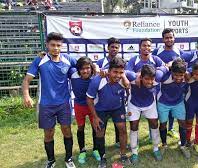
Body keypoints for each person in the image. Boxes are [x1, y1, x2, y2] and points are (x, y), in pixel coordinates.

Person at [22, 32, 77, 168]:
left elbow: (84, 65)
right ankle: (51, 161)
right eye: (53, 45)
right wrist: (26, 95)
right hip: (46, 105)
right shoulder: (40, 60)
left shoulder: (68, 59)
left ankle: (69, 159)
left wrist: (95, 68)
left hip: (64, 103)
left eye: (59, 45)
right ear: (47, 45)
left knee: (67, 130)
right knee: (48, 133)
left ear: (62, 46)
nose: (56, 48)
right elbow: (26, 80)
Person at [86, 57, 131, 168]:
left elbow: (129, 85)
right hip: (101, 109)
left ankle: (123, 155)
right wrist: (95, 117)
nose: (117, 75)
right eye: (115, 72)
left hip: (117, 108)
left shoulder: (122, 79)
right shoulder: (98, 80)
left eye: (121, 72)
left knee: (123, 130)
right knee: (100, 132)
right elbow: (89, 99)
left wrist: (124, 76)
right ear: (109, 70)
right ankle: (103, 157)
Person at [126, 64, 164, 163]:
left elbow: (167, 66)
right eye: (146, 79)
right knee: (134, 126)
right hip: (134, 104)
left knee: (155, 124)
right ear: (141, 77)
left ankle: (156, 148)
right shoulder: (132, 76)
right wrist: (136, 76)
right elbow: (121, 71)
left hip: (150, 103)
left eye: (152, 79)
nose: (150, 82)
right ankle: (134, 152)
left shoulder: (158, 75)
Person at [152, 28, 184, 138]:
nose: (169, 39)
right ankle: (153, 133)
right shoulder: (157, 52)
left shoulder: (179, 52)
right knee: (159, 110)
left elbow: (183, 66)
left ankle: (170, 129)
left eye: (171, 37)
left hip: (175, 84)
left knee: (172, 107)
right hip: (161, 85)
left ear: (174, 38)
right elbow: (153, 66)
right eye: (167, 38)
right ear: (163, 39)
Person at [68, 57, 100, 164]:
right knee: (80, 127)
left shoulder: (96, 74)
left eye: (88, 68)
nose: (85, 71)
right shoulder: (73, 74)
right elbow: (67, 61)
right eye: (82, 69)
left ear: (91, 68)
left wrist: (96, 66)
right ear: (78, 69)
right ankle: (82, 150)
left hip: (93, 106)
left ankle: (96, 149)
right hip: (79, 106)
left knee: (95, 127)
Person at [157, 58, 191, 158]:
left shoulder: (187, 76)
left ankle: (183, 146)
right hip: (163, 103)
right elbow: (155, 75)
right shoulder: (164, 76)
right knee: (163, 124)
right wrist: (166, 66)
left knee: (182, 123)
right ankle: (164, 145)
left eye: (181, 75)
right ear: (171, 71)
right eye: (176, 75)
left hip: (178, 103)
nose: (178, 78)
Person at [96, 37, 123, 148]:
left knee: (119, 125)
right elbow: (96, 72)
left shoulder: (122, 62)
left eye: (116, 47)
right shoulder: (101, 62)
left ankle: (118, 142)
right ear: (108, 48)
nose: (114, 49)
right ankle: (99, 147)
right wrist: (99, 71)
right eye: (112, 47)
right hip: (103, 99)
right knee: (102, 125)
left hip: (118, 97)